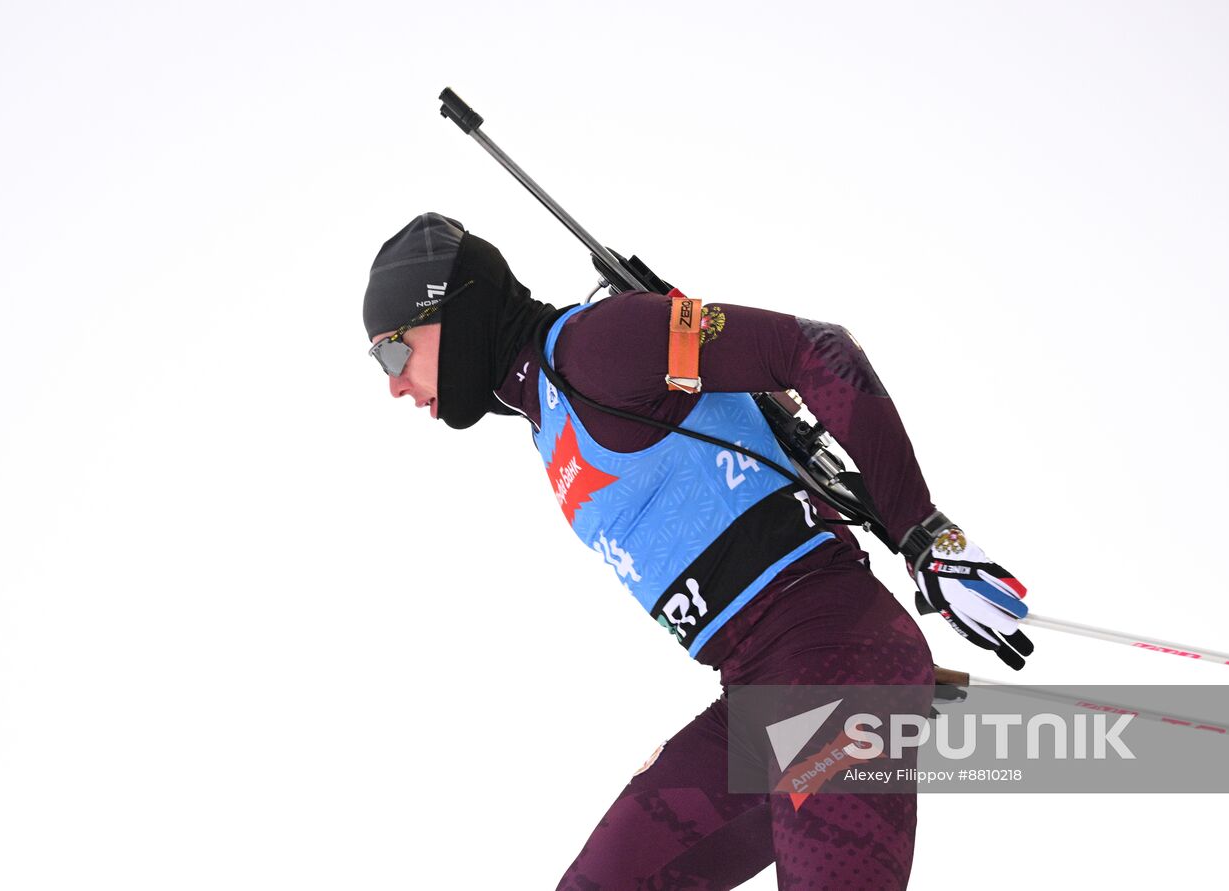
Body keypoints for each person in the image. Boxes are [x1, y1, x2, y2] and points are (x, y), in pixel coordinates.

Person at [362, 213, 1033, 890]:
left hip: (831, 663)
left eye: (392, 352)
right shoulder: (550, 417)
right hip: (759, 693)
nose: (393, 384)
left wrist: (925, 536)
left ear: (456, 306)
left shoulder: (599, 344)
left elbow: (816, 348)